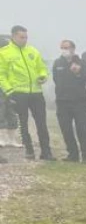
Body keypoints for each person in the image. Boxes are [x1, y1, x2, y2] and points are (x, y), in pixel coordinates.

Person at [0, 25, 53, 160]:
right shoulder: (4, 53)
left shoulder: (33, 51)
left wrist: (43, 76)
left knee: (41, 123)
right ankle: (29, 150)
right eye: (21, 37)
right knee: (23, 123)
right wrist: (9, 91)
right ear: (13, 36)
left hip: (36, 92)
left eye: (26, 37)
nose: (24, 40)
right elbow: (2, 75)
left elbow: (42, 67)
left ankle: (46, 152)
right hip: (18, 93)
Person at [52, 39, 86, 163]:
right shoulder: (57, 63)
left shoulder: (81, 63)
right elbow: (55, 79)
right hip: (62, 101)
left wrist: (78, 72)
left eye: (67, 47)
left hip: (79, 101)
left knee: (82, 129)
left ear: (73, 49)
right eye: (62, 48)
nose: (64, 50)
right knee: (66, 129)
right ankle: (73, 154)